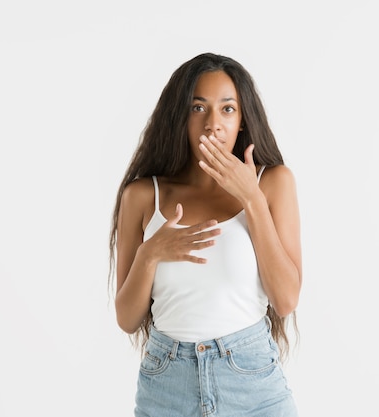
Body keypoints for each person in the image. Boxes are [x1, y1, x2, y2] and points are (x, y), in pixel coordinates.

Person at [108, 52, 302, 416]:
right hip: (167, 387)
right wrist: (151, 253)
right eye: (199, 108)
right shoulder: (141, 195)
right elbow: (127, 319)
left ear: (243, 119)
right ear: (179, 117)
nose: (213, 124)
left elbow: (286, 299)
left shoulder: (273, 183)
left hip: (252, 384)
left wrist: (252, 199)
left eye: (227, 109)